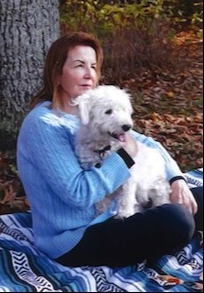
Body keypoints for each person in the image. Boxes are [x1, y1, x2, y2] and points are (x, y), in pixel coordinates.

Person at [17, 31, 203, 267]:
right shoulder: (42, 125)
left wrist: (177, 179)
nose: (89, 75)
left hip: (122, 210)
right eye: (79, 65)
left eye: (93, 66)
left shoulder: (98, 114)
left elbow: (148, 144)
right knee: (177, 220)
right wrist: (126, 157)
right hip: (77, 237)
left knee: (197, 198)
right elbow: (78, 194)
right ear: (57, 72)